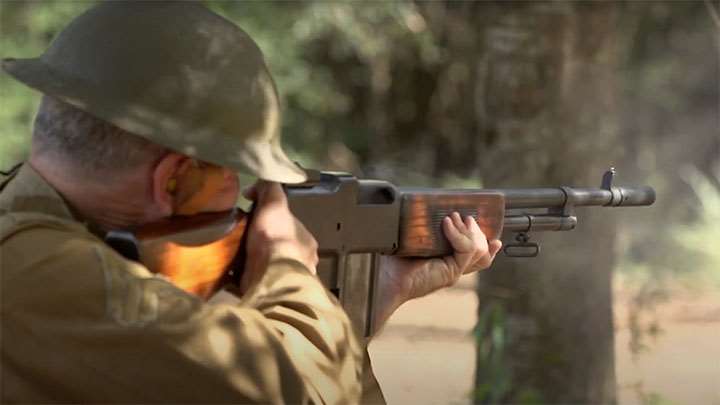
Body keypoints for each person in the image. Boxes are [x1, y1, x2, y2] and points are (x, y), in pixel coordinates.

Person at [0, 2, 502, 404]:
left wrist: (358, 302)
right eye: (234, 174)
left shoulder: (35, 245)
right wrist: (289, 269)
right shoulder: (47, 273)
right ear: (174, 179)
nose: (244, 198)